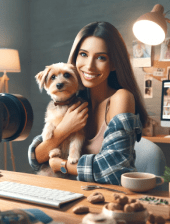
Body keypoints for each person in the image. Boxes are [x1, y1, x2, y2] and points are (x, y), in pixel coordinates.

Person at [28, 21, 148, 185]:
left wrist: (62, 165)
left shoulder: (121, 98)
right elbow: (37, 157)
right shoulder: (73, 100)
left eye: (101, 57)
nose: (89, 66)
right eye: (83, 54)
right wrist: (64, 130)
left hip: (107, 198)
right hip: (69, 192)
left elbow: (115, 170)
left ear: (113, 63)